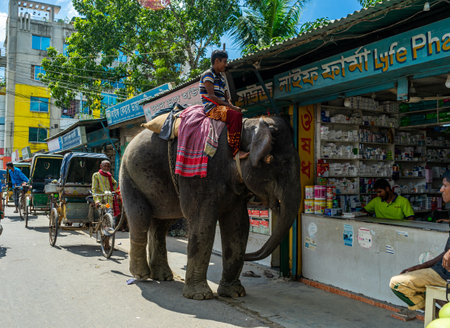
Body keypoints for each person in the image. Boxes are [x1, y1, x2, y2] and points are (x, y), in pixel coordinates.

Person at [389, 170, 450, 312]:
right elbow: (445, 252)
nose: (441, 189)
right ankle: (438, 317)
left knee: (398, 284)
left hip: (445, 277)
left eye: (445, 185)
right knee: (402, 282)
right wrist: (422, 266)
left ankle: (440, 318)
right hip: (440, 272)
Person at [199, 49, 249, 159]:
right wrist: (231, 107)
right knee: (235, 115)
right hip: (212, 108)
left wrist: (232, 106)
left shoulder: (221, 77)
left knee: (239, 114)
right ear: (217, 61)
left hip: (223, 106)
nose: (226, 65)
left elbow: (227, 97)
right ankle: (235, 151)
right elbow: (212, 96)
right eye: (224, 62)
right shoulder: (208, 74)